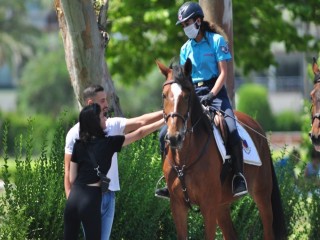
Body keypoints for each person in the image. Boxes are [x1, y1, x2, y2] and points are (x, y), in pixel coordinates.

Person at [155, 1, 247, 199]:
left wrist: (212, 94)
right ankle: (167, 178)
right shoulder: (184, 48)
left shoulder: (216, 41)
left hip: (216, 92)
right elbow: (183, 78)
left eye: (187, 23)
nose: (184, 28)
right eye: (182, 25)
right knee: (164, 133)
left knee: (231, 128)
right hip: (192, 94)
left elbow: (224, 74)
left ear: (198, 21)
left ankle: (239, 176)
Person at [64, 84, 163, 239]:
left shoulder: (82, 141)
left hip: (95, 195)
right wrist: (168, 118)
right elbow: (140, 133)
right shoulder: (99, 140)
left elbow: (141, 122)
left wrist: (168, 112)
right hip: (91, 196)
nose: (107, 105)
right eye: (103, 101)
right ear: (91, 104)